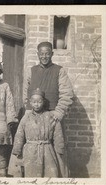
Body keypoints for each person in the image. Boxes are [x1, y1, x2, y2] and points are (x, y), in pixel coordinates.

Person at [24, 41, 74, 177]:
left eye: (47, 54)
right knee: (35, 148)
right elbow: (26, 93)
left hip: (53, 116)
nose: (44, 56)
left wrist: (58, 112)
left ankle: (60, 180)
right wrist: (28, 111)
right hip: (35, 117)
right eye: (41, 54)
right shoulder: (32, 71)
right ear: (37, 54)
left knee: (57, 149)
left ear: (52, 54)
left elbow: (67, 94)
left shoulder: (59, 71)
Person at [9, 88, 65, 177]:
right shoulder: (26, 118)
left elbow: (58, 134)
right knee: (32, 175)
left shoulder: (51, 116)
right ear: (30, 103)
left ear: (43, 102)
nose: (37, 104)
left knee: (50, 175)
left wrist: (60, 148)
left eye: (39, 102)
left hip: (47, 151)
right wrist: (17, 150)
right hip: (30, 152)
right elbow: (20, 134)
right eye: (34, 102)